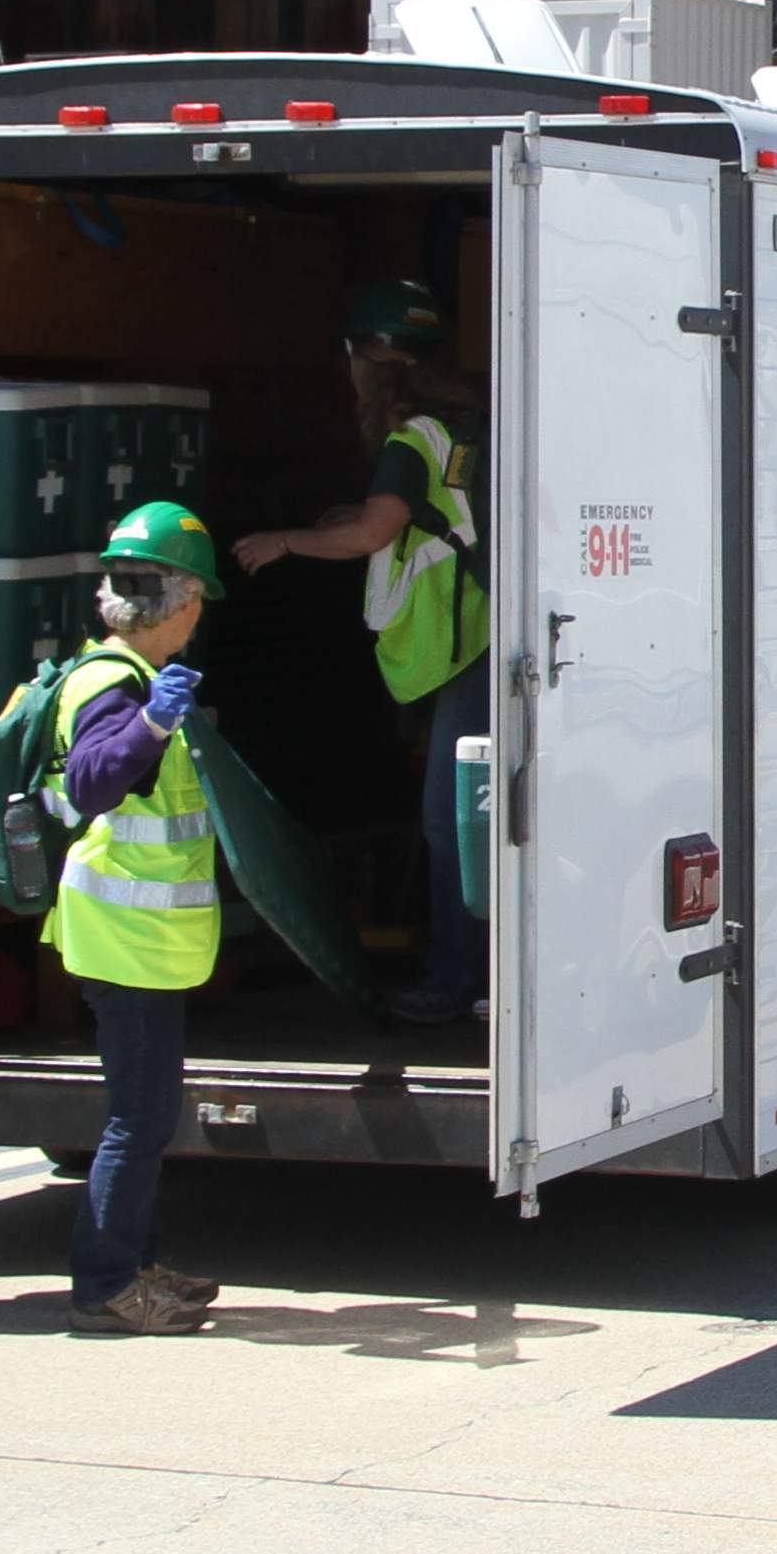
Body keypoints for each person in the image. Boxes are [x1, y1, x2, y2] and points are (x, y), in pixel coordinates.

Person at [233, 278, 493, 1026]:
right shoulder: (465, 423)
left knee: (450, 825)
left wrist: (285, 541)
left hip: (465, 648)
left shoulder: (409, 439)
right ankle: (475, 972)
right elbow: (428, 515)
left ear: (362, 360)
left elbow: (377, 531)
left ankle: (455, 980)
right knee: (474, 818)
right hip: (486, 637)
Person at [43, 502, 230, 1337]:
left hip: (139, 937)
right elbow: (90, 782)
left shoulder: (129, 674)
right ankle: (106, 1285)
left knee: (147, 1115)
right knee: (138, 1119)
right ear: (180, 604)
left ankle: (139, 1266)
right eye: (199, 601)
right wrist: (153, 722)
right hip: (123, 937)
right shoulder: (112, 683)